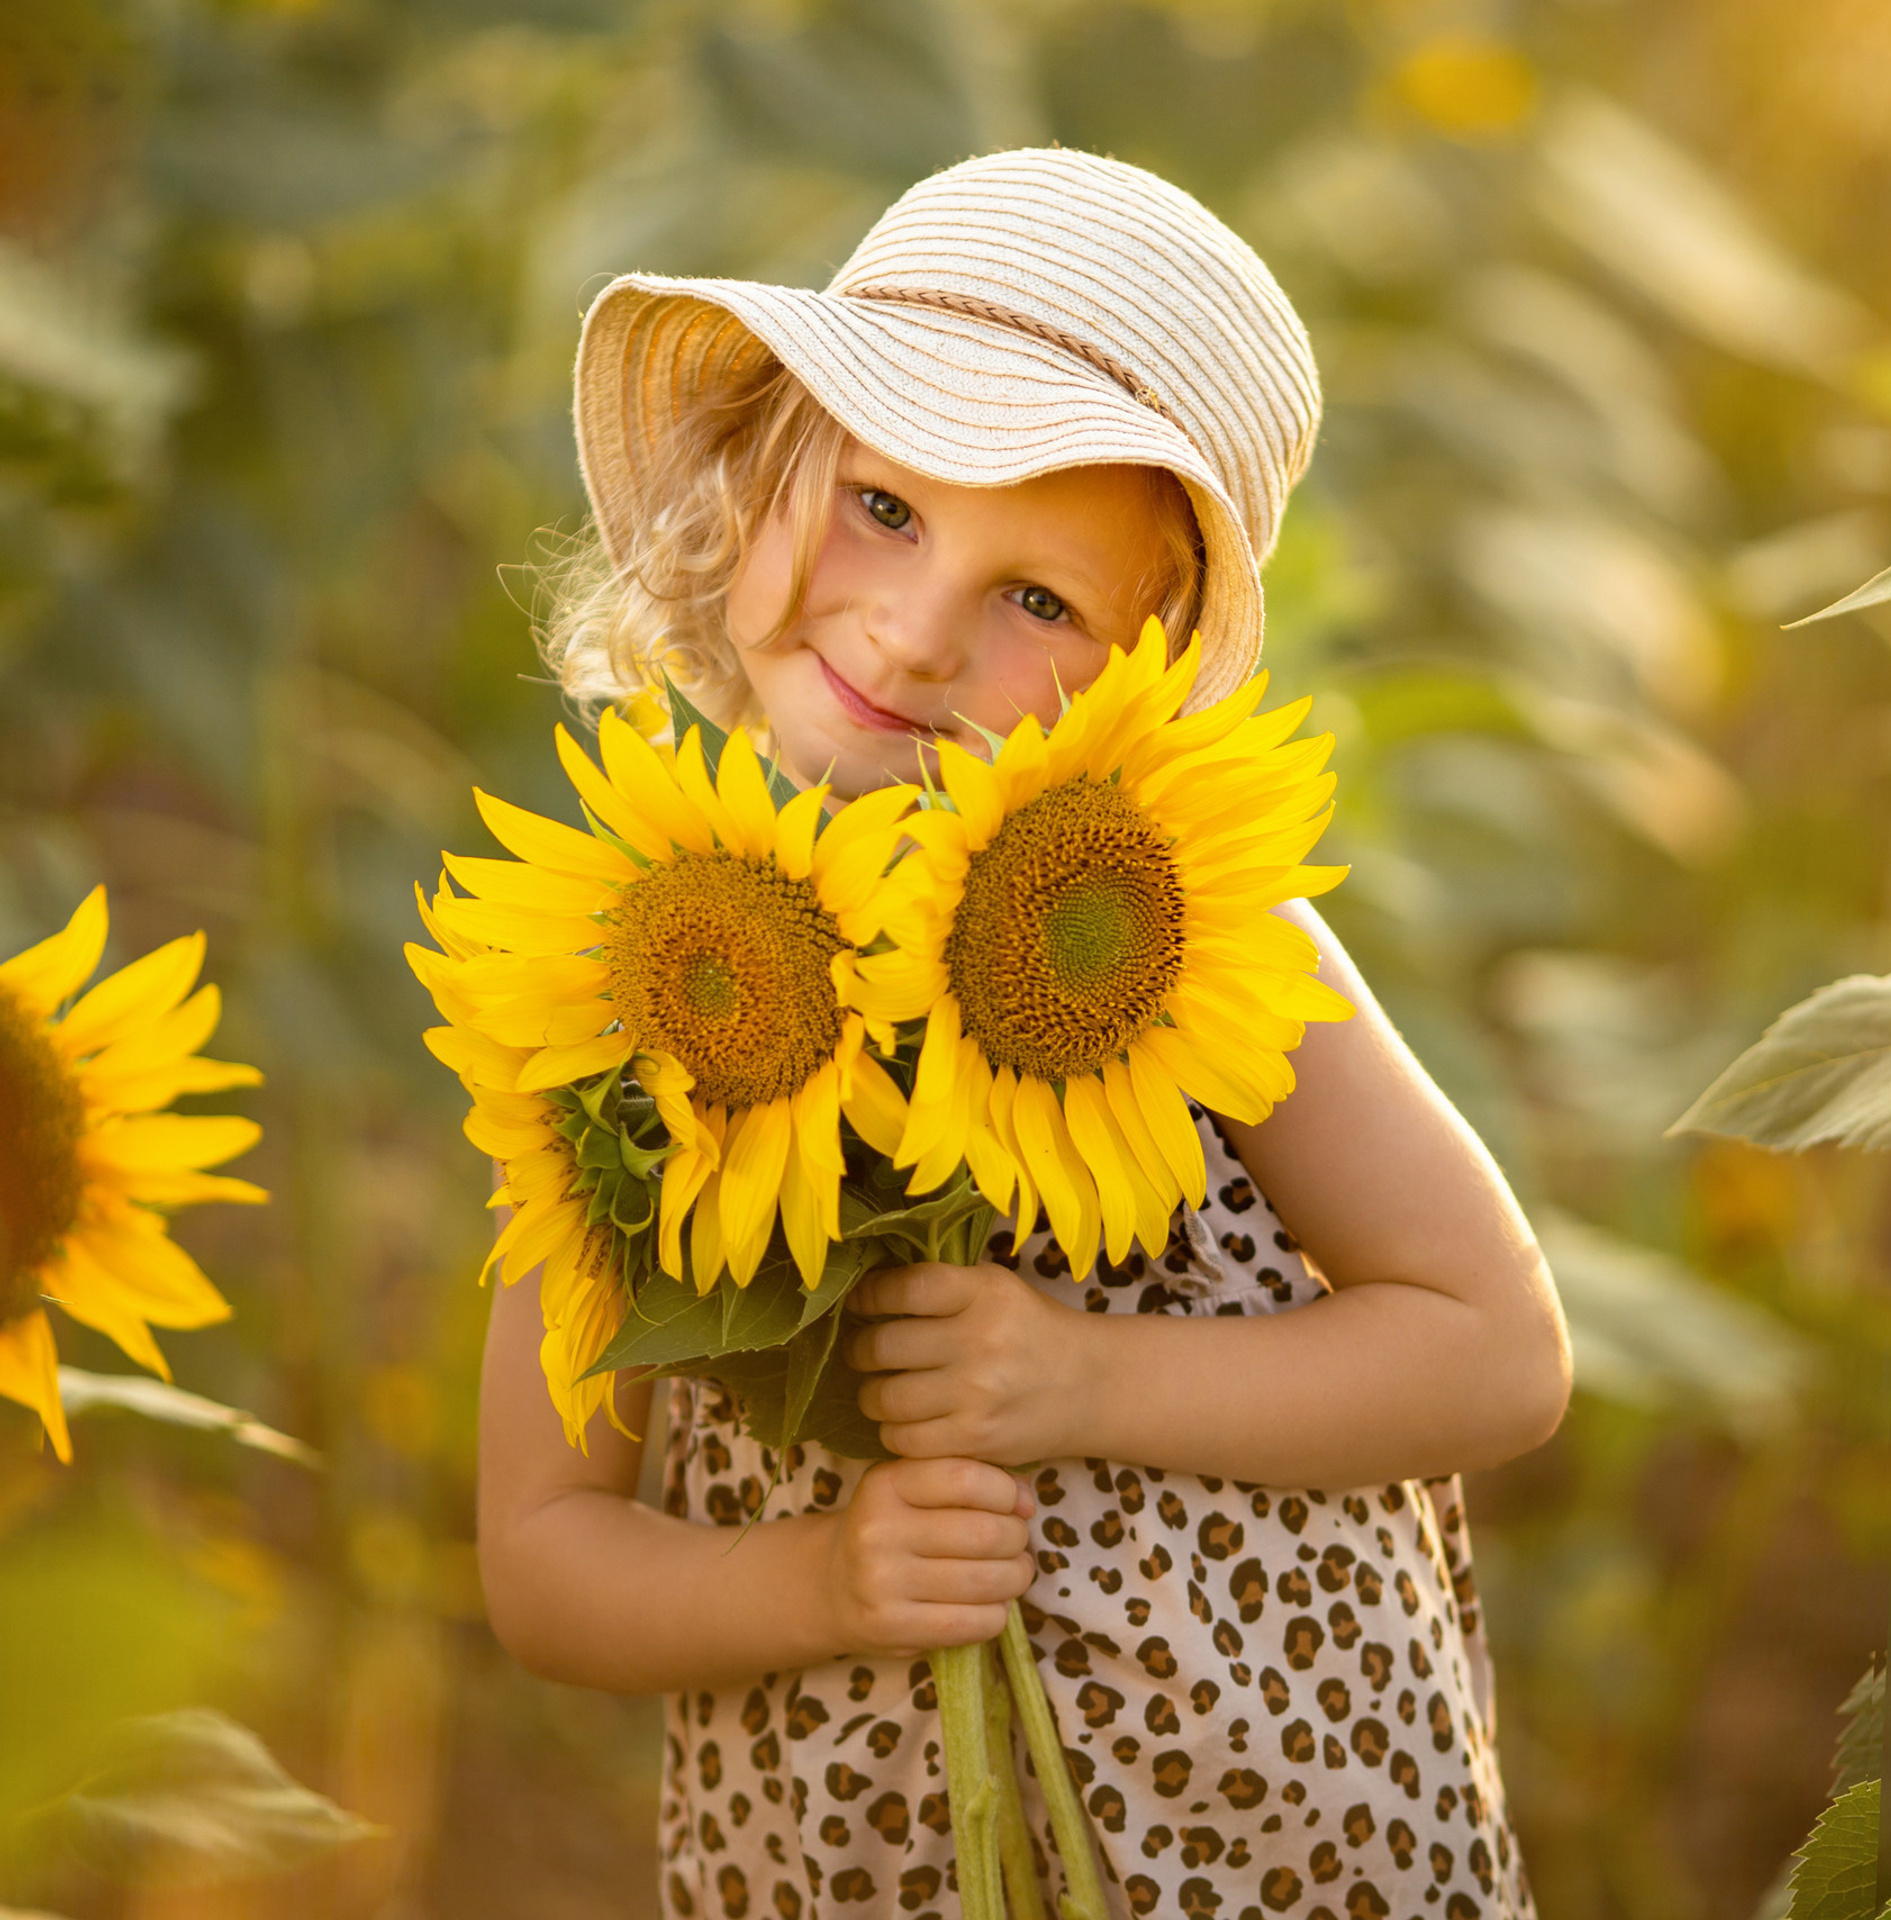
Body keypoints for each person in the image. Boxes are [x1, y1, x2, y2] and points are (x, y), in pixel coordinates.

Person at [476, 148, 1569, 1920]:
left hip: (1283, 1856)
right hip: (860, 1865)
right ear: (765, 460)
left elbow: (1498, 1350)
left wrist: (1089, 1379)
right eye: (886, 507)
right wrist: (822, 1580)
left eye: (1038, 600)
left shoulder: (1184, 926)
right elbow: (541, 1560)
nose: (910, 639)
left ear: (1149, 660)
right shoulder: (622, 988)